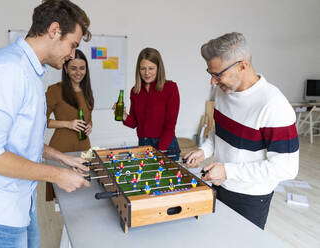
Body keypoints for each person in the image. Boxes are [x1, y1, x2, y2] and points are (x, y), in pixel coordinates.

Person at [0, 1, 92, 247]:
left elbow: (22, 139)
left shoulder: (30, 71)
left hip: (18, 201)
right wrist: (58, 175)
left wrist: (62, 158)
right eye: (73, 45)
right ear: (54, 30)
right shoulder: (6, 70)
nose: (72, 55)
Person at [184, 32, 299, 229]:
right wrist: (205, 150)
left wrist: (228, 170)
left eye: (217, 74)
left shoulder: (274, 105)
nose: (212, 81)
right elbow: (220, 133)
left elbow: (286, 168)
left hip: (251, 199)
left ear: (242, 65)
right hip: (220, 185)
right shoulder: (222, 92)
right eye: (210, 74)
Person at [114, 48, 180, 160]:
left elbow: (170, 127)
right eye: (143, 69)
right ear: (138, 70)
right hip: (143, 145)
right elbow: (134, 122)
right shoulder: (135, 91)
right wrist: (123, 115)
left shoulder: (170, 88)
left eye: (151, 68)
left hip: (166, 146)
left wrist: (159, 153)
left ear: (159, 68)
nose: (147, 73)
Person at [45, 49, 94, 201]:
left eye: (82, 68)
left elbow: (88, 117)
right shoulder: (55, 90)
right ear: (65, 69)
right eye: (73, 68)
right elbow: (41, 121)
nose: (78, 72)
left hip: (83, 149)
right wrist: (68, 124)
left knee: (83, 192)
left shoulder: (87, 91)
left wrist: (90, 125)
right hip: (62, 151)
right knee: (63, 197)